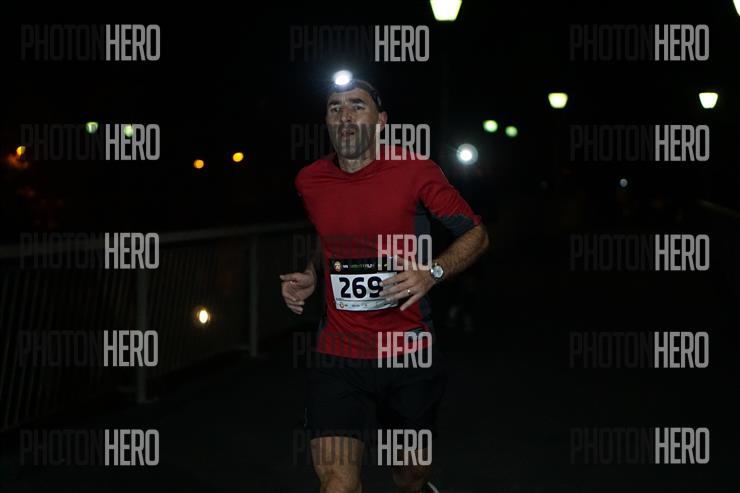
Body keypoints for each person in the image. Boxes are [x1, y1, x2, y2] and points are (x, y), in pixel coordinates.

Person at [281, 75, 489, 493]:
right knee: (337, 484)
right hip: (338, 357)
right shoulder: (310, 180)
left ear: (381, 121)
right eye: (335, 107)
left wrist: (432, 271)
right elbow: (330, 237)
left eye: (357, 105)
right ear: (327, 121)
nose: (345, 115)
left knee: (409, 475)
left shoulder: (415, 171)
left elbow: (477, 234)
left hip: (407, 355)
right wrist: (313, 272)